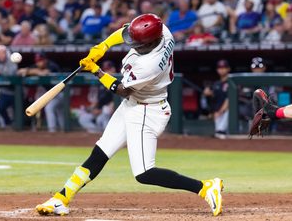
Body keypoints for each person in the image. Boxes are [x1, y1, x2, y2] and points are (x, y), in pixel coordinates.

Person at [36, 13, 223, 217]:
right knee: (100, 152)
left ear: (151, 42)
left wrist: (96, 71)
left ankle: (205, 187)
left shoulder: (149, 65)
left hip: (147, 111)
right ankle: (61, 198)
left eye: (137, 43)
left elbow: (123, 90)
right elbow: (126, 30)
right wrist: (103, 46)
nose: (132, 45)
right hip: (132, 105)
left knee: (144, 173)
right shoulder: (163, 30)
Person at [18, 52, 64, 132]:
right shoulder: (36, 66)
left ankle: (52, 130)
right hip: (51, 93)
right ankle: (62, 129)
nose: (38, 63)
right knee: (59, 111)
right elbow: (20, 71)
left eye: (40, 61)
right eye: (37, 61)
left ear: (45, 60)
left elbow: (44, 73)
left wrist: (31, 71)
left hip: (61, 93)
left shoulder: (52, 65)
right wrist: (34, 71)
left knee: (50, 108)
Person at [78, 61, 116, 133]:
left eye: (108, 69)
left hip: (110, 110)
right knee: (83, 118)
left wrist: (101, 110)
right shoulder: (102, 82)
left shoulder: (118, 81)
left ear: (113, 70)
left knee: (103, 115)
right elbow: (98, 101)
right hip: (100, 110)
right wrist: (92, 109)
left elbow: (117, 100)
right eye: (105, 70)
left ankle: (107, 134)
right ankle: (96, 132)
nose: (106, 72)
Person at [203, 59, 230, 139]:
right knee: (220, 134)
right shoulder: (216, 84)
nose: (221, 69)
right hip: (217, 112)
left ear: (228, 69)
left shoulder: (231, 82)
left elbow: (230, 99)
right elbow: (213, 99)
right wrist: (208, 93)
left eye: (224, 67)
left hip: (227, 112)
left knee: (221, 132)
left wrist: (221, 110)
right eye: (220, 67)